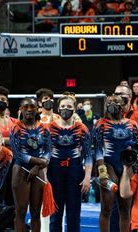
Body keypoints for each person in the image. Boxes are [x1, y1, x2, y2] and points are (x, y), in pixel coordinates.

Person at [93, 95, 138, 232]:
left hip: (127, 166)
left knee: (125, 210)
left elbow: (135, 147)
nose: (112, 104)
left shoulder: (132, 124)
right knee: (106, 209)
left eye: (115, 102)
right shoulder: (101, 124)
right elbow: (97, 148)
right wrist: (102, 170)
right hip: (108, 165)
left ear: (123, 105)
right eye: (109, 102)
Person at [47, 95, 93, 232]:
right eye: (62, 107)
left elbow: (89, 155)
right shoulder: (50, 128)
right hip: (54, 171)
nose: (65, 109)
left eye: (69, 107)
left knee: (74, 212)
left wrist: (87, 177)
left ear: (74, 109)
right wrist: (44, 176)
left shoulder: (82, 128)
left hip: (75, 171)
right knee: (55, 213)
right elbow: (46, 154)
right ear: (58, 108)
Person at [10, 98, 51, 232]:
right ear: (20, 110)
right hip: (20, 169)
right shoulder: (15, 128)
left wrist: (38, 166)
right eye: (25, 107)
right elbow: (16, 154)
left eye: (32, 107)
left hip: (37, 171)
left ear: (37, 109)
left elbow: (48, 151)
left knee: (35, 212)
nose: (29, 109)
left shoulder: (44, 129)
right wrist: (39, 162)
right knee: (20, 211)